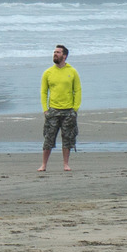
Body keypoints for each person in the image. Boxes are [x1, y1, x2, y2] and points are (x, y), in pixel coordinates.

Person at [39, 44, 80, 173]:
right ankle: (44, 164)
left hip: (68, 111)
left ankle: (66, 164)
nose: (55, 54)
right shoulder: (48, 72)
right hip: (53, 110)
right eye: (54, 52)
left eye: (58, 52)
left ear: (64, 56)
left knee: (67, 138)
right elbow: (44, 92)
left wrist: (75, 108)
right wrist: (45, 109)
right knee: (48, 138)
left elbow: (77, 90)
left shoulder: (72, 71)